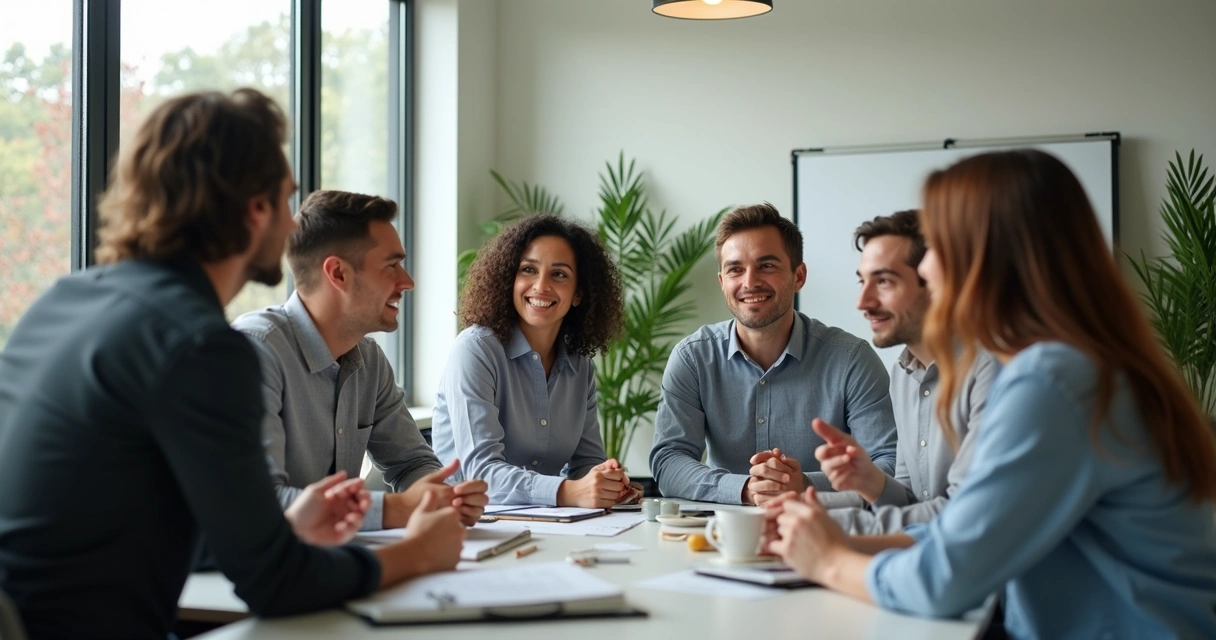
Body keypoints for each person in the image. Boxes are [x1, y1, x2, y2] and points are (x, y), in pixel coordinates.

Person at [0, 89, 464, 640]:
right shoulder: (203, 346)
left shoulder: (63, 300)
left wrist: (282, 526)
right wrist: (418, 553)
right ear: (255, 210)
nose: (293, 228)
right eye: (287, 201)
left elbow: (110, 525)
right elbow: (275, 582)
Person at [767, 149, 1216, 638]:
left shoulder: (1053, 380)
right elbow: (961, 535)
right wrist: (835, 540)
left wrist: (829, 560)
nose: (927, 268)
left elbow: (944, 579)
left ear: (987, 255)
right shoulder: (1081, 363)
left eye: (937, 246)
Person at [232, 190, 488, 530]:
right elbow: (258, 503)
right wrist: (399, 509)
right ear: (338, 273)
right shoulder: (254, 351)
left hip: (335, 553)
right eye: (391, 266)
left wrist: (444, 496)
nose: (407, 282)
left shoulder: (369, 360)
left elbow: (412, 464)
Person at [649, 203, 897, 506]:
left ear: (798, 276)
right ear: (722, 282)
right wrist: (745, 489)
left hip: (826, 525)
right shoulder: (692, 358)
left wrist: (806, 485)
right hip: (725, 530)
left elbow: (889, 464)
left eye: (766, 266)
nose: (749, 282)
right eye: (735, 269)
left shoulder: (852, 360)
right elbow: (669, 461)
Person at [815, 210, 998, 534]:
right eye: (862, 281)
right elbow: (913, 501)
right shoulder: (903, 373)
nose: (863, 302)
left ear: (935, 283)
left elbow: (964, 515)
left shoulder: (990, 369)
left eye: (884, 281)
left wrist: (833, 524)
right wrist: (871, 482)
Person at [431, 214, 632, 507]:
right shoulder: (475, 350)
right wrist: (567, 492)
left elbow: (586, 463)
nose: (541, 286)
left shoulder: (580, 366)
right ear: (509, 280)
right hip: (469, 521)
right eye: (528, 270)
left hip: (546, 523)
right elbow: (481, 474)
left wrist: (607, 482)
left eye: (559, 274)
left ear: (578, 293)